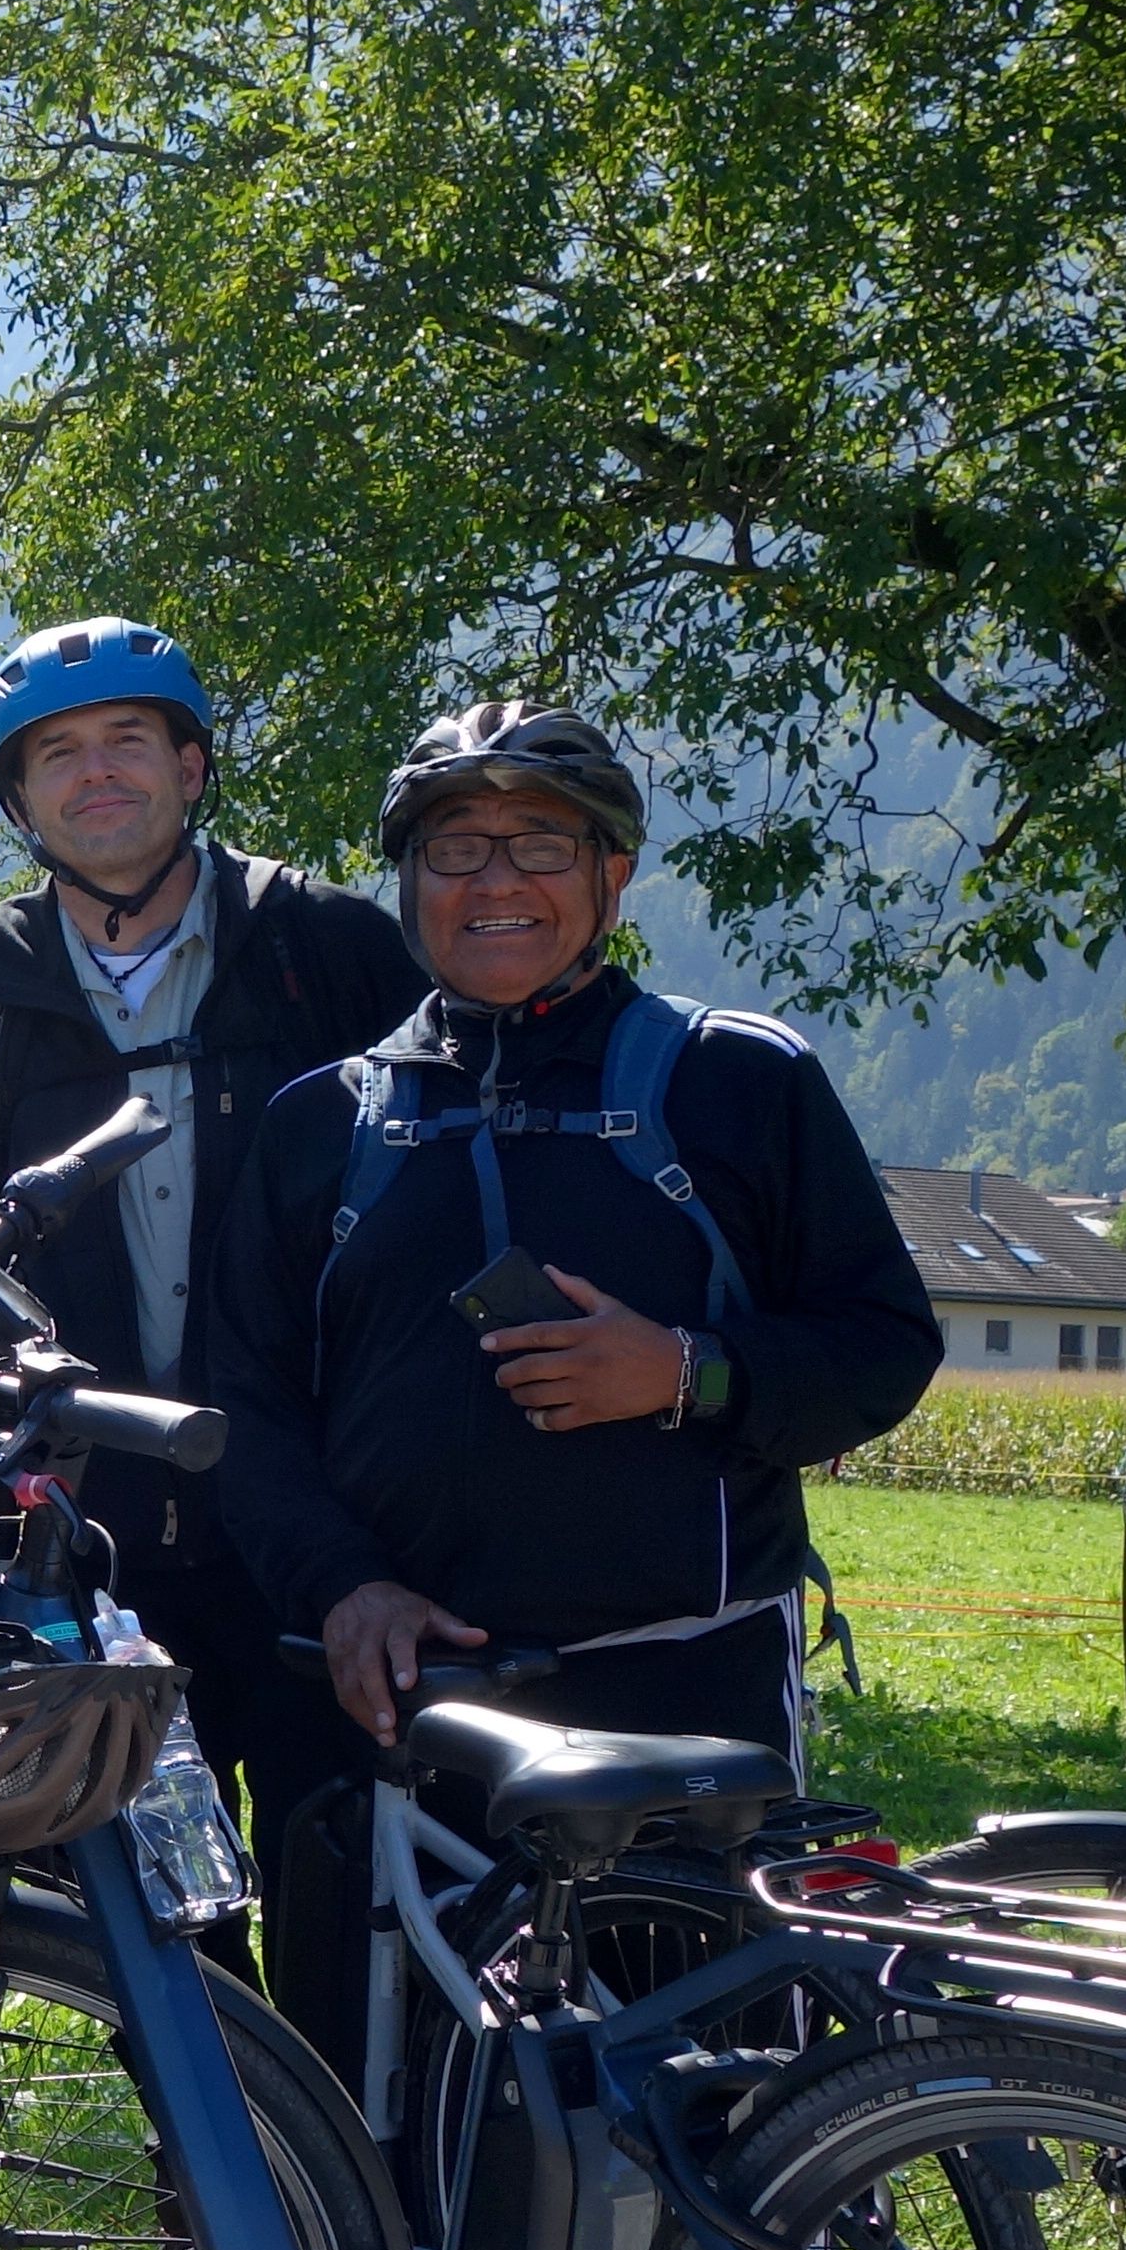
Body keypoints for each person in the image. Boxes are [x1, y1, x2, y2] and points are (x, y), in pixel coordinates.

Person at [206, 701, 943, 2092]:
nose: (495, 882)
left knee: (702, 2110)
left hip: (681, 1693)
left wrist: (687, 1372)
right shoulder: (324, 1124)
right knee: (395, 2107)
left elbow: (882, 1345)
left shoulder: (737, 1081)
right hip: (404, 1710)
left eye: (540, 843)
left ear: (614, 876)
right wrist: (344, 1586)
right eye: (454, 848)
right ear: (405, 883)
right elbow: (248, 1404)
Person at [0, 619, 419, 2040]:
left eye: (129, 740)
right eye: (58, 756)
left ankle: (359, 2219)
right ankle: (215, 2207)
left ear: (193, 765)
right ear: (21, 805)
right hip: (104, 1522)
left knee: (345, 1880)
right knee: (153, 1908)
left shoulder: (325, 949)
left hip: (313, 1502)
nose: (98, 776)